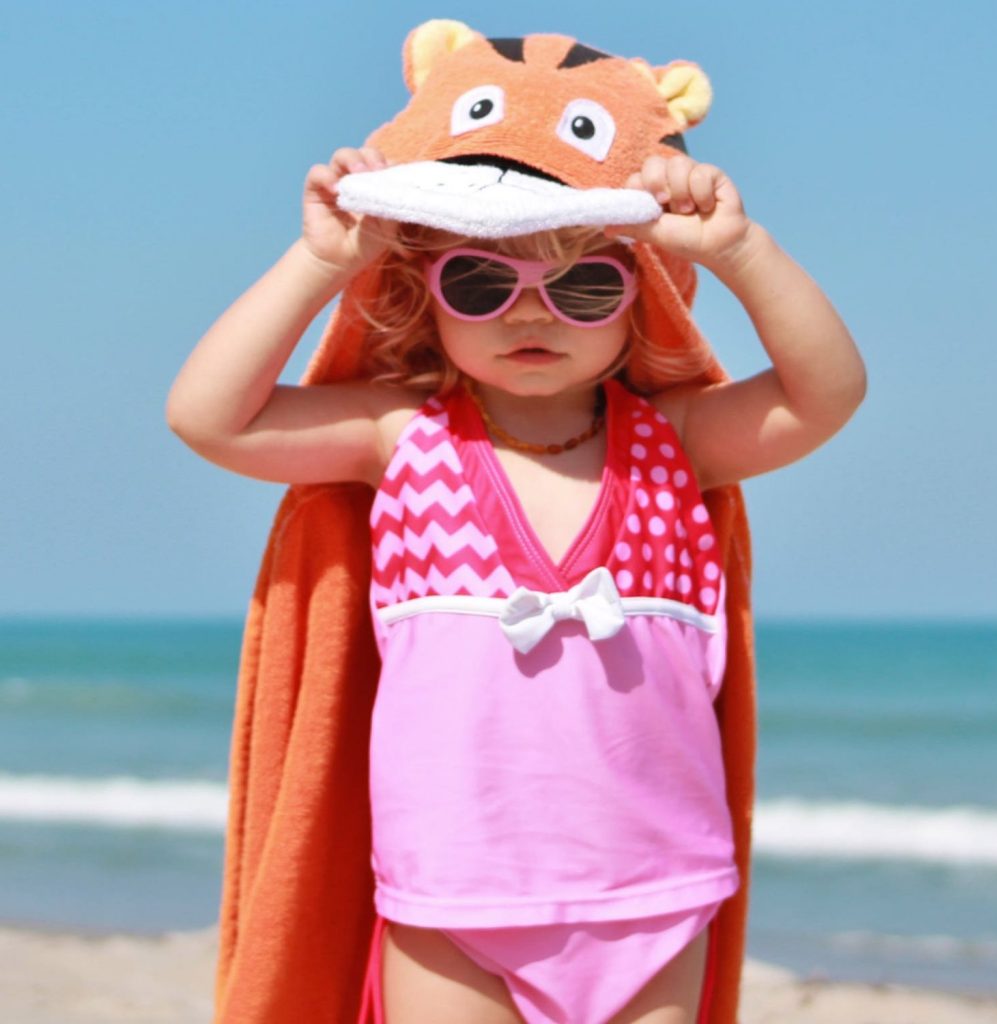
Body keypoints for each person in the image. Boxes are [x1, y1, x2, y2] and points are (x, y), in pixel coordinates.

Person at [167, 21, 865, 1024]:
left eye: (583, 284)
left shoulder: (675, 444)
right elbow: (207, 416)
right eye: (483, 281)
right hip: (450, 902)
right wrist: (321, 261)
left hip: (654, 897)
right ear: (425, 294)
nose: (528, 313)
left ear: (640, 302)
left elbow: (825, 395)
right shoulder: (401, 440)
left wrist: (745, 253)